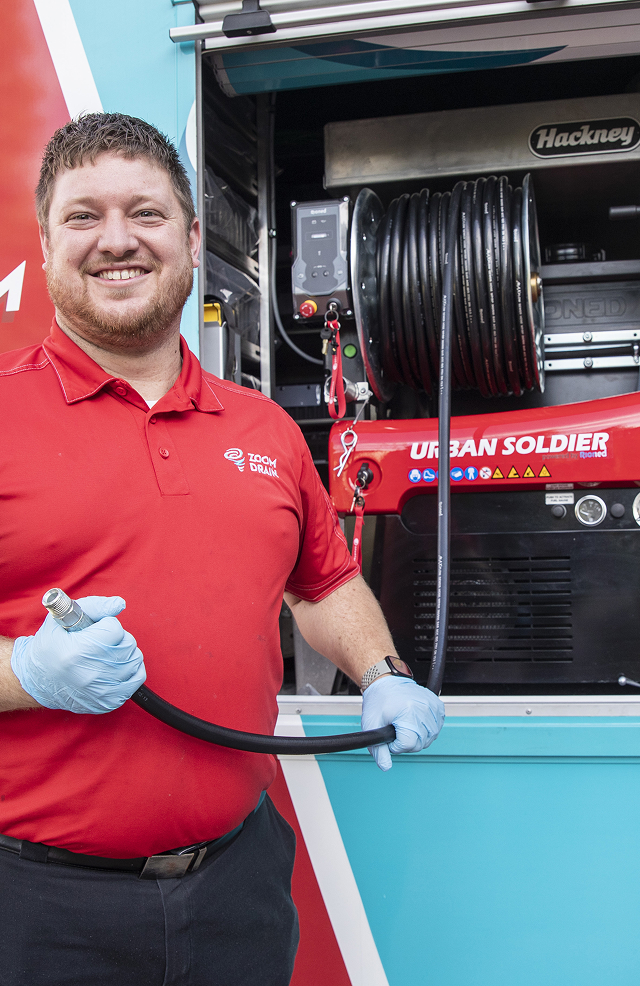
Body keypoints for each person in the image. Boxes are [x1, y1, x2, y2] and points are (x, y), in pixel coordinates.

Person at [0, 113, 444, 986]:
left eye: (147, 214)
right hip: (34, 906)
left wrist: (382, 668)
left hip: (236, 889)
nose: (117, 241)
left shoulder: (265, 428)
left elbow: (322, 584)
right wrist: (28, 675)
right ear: (45, 245)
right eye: (83, 217)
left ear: (194, 239)